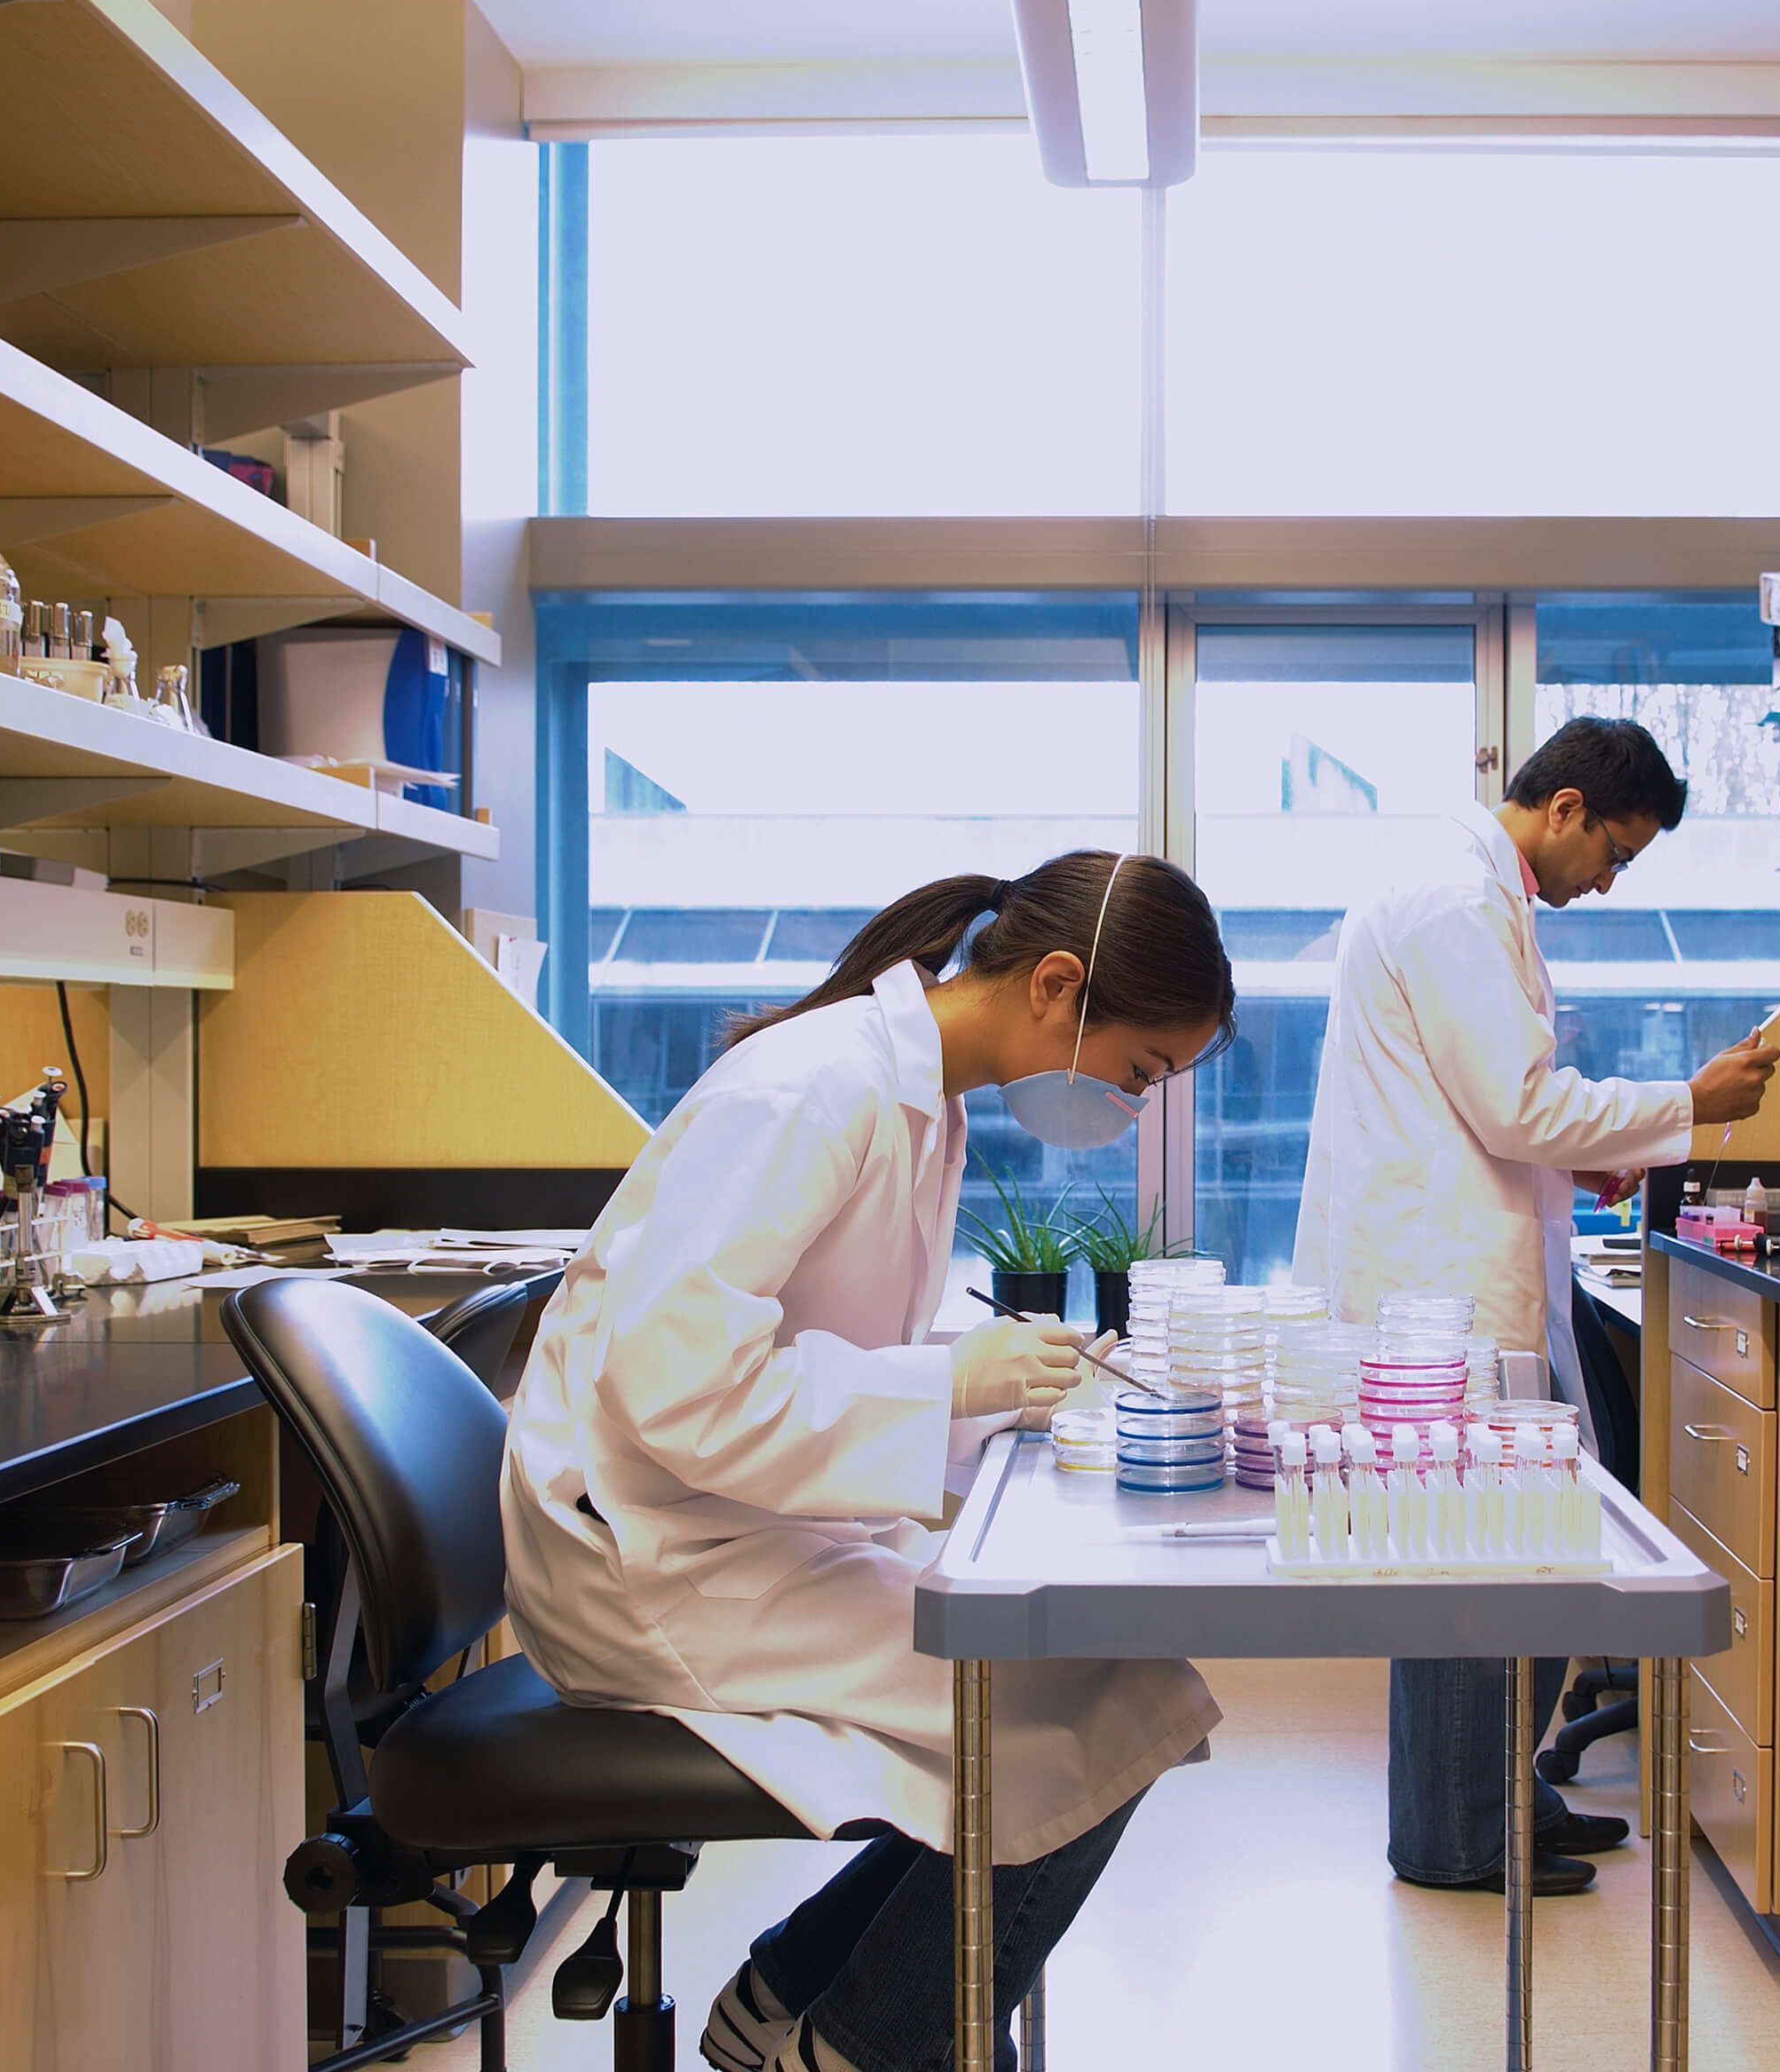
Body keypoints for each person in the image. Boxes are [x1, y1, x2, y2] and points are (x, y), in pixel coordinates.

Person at [500, 851, 1237, 2072]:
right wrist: (954, 1383)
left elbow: (817, 1336)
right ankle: (863, 2049)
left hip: (719, 1523)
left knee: (1082, 1688)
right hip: (642, 1559)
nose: (1131, 1104)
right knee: (1105, 1704)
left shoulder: (910, 1093)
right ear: (1058, 986)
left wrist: (985, 1374)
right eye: (1141, 1069)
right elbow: (676, 1385)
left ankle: (795, 1999)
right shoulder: (812, 1089)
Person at [1293, 715, 1778, 1896]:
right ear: (1564, 807)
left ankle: (1500, 1793)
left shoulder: (1472, 891)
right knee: (1481, 1558)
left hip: (1450, 1263)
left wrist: (1588, 1161)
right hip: (1436, 1287)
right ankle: (1460, 1835)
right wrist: (1690, 1101)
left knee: (1518, 1538)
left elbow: (1482, 1113)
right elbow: (1513, 1106)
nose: (1606, 881)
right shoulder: (1460, 901)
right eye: (1612, 852)